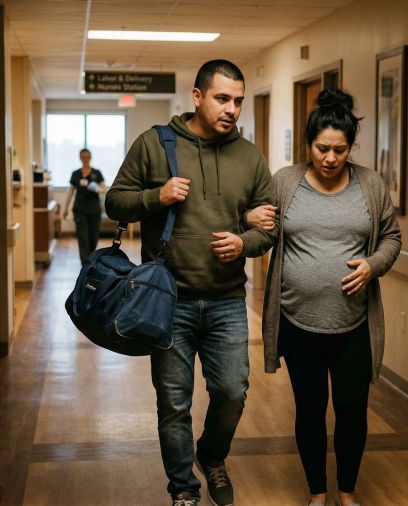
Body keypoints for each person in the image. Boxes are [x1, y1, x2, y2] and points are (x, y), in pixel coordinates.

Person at [105, 59, 275, 506]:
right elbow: (114, 202)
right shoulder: (155, 145)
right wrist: (155, 196)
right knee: (174, 403)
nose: (232, 109)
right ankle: (183, 488)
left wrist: (245, 243)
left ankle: (212, 455)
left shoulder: (250, 156)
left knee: (232, 392)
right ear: (197, 97)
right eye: (222, 98)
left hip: (225, 301)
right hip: (167, 300)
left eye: (238, 100)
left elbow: (269, 225)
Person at [247, 89, 401, 506]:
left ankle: (347, 493)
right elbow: (264, 235)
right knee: (310, 411)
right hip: (298, 322)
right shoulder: (285, 182)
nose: (330, 158)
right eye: (321, 149)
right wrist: (248, 222)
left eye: (339, 149)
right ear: (308, 145)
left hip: (354, 325)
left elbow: (391, 236)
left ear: (350, 147)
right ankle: (317, 492)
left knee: (352, 412)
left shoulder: (370, 184)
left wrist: (374, 265)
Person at [62, 148, 106, 265]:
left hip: (94, 210)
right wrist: (65, 208)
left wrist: (97, 188)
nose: (85, 159)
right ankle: (85, 264)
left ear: (90, 158)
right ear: (80, 158)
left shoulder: (97, 173)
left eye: (87, 157)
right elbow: (71, 191)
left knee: (93, 237)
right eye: (83, 157)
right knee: (83, 238)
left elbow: (104, 188)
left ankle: (91, 260)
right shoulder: (75, 174)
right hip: (80, 210)